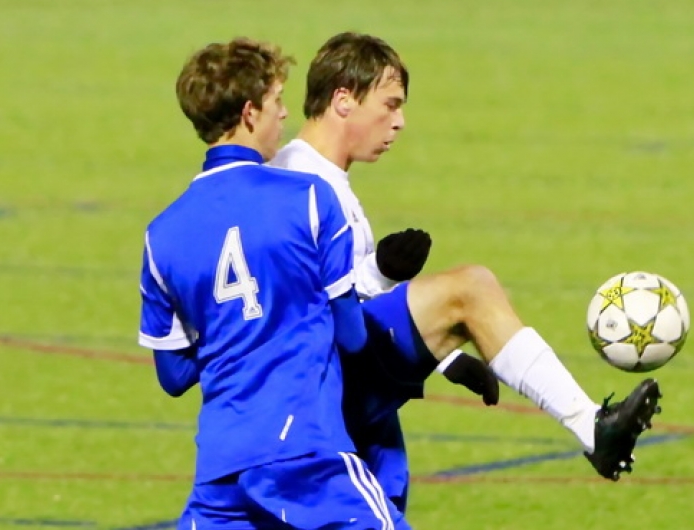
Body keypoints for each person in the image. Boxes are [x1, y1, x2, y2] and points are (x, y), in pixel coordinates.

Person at [270, 32, 663, 513]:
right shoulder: (298, 179)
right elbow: (302, 307)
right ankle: (591, 427)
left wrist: (444, 358)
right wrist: (380, 274)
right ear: (344, 100)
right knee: (470, 288)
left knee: (382, 492)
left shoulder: (318, 175)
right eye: (390, 105)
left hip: (336, 381)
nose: (400, 122)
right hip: (315, 382)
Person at [138, 37, 408, 529]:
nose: (284, 116)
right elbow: (350, 334)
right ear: (249, 113)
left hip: (220, 469)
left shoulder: (162, 234)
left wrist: (236, 330)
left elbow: (172, 376)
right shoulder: (309, 198)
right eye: (277, 102)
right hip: (306, 450)